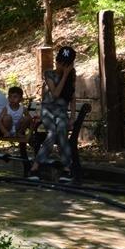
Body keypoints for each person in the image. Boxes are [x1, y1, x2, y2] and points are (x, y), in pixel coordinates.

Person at [32, 46, 77, 181]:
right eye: (60, 62)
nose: (61, 66)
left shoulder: (72, 75)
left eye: (66, 64)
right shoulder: (49, 74)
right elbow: (56, 94)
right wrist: (64, 75)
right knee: (52, 133)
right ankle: (36, 166)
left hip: (62, 112)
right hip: (48, 111)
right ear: (57, 61)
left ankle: (66, 169)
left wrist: (73, 118)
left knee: (61, 131)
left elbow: (73, 98)